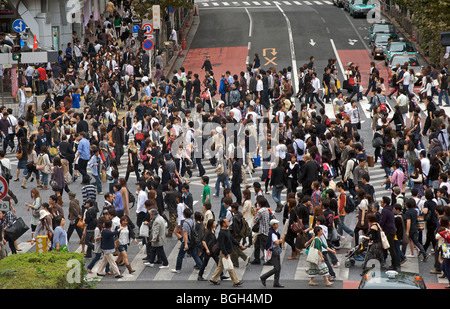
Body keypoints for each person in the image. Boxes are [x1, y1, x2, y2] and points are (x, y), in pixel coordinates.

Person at [209, 217, 244, 287]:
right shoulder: (221, 233)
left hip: (227, 252)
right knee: (230, 267)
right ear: (224, 224)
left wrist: (238, 243)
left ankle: (213, 279)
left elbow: (231, 239)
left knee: (220, 267)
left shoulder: (227, 231)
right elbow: (221, 244)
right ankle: (235, 281)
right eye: (227, 222)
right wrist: (225, 253)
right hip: (224, 253)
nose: (228, 222)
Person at [171, 208, 203, 274]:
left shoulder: (185, 223)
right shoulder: (193, 222)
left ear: (184, 215)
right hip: (192, 241)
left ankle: (178, 269)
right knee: (195, 255)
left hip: (187, 241)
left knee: (180, 255)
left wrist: (185, 244)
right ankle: (201, 267)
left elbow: (185, 234)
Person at [260, 219, 284, 287]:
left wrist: (279, 240)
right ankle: (263, 277)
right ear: (273, 225)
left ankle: (276, 282)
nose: (278, 225)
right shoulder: (272, 233)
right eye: (276, 224)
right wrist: (280, 240)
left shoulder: (275, 231)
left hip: (276, 250)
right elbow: (276, 242)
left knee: (278, 267)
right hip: (273, 251)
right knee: (276, 268)